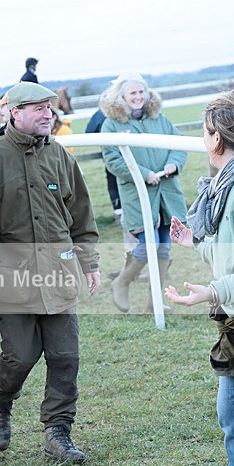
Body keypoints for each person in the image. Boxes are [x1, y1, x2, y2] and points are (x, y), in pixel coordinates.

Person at [0, 82, 101, 463]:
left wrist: (89, 262)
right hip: (11, 277)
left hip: (58, 272)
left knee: (65, 356)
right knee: (20, 356)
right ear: (13, 113)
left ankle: (58, 433)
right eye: (37, 108)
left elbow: (82, 214)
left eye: (49, 108)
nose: (47, 114)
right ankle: (0, 402)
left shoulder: (59, 155)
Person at [165, 92, 234, 466]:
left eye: (204, 132)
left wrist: (210, 292)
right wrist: (195, 242)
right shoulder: (227, 186)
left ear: (216, 140)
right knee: (231, 414)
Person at [100, 72, 187, 313]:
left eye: (141, 92)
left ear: (148, 93)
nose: (138, 97)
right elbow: (113, 160)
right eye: (133, 93)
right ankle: (122, 281)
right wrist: (143, 173)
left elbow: (178, 144)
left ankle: (154, 303)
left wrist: (174, 164)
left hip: (166, 191)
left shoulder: (160, 118)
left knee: (165, 246)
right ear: (122, 97)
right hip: (138, 192)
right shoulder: (111, 124)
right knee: (148, 244)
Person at [86, 107, 122, 225]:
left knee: (113, 183)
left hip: (111, 155)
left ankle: (119, 212)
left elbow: (89, 132)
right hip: (133, 154)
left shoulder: (101, 113)